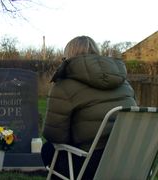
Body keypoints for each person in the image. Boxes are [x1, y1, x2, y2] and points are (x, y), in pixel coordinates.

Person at [41, 36, 136, 179]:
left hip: (91, 166)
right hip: (128, 161)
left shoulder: (63, 85)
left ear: (68, 55)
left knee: (48, 149)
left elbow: (55, 135)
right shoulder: (124, 84)